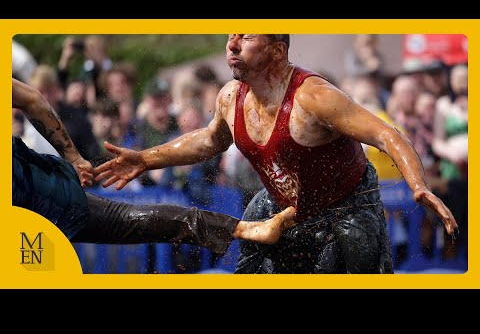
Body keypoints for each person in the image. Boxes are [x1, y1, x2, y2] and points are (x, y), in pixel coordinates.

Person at [94, 34, 458, 274]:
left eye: (246, 37)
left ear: (277, 51)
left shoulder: (313, 96)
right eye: (231, 36)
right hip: (281, 208)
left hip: (347, 207)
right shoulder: (229, 97)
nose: (232, 45)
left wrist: (418, 185)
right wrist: (145, 158)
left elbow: (386, 133)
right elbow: (208, 141)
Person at [12, 78, 296, 257]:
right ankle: (242, 229)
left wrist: (75, 158)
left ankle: (243, 228)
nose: (233, 45)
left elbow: (32, 99)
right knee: (129, 218)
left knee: (127, 218)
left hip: (31, 191)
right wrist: (73, 157)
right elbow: (33, 99)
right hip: (35, 194)